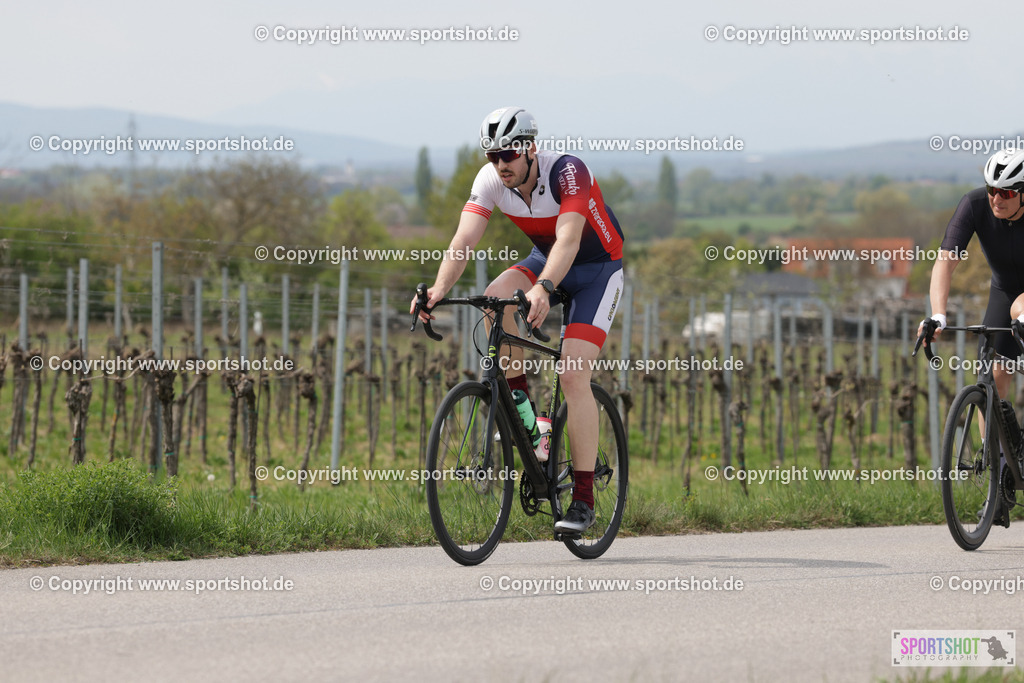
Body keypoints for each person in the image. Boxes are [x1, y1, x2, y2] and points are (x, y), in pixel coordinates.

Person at [412, 106, 624, 533]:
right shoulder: (490, 180)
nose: (500, 164)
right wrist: (437, 290)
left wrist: (544, 288)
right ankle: (530, 422)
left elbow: (568, 238)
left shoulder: (568, 172)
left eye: (508, 153)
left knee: (571, 375)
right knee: (494, 300)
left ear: (529, 148)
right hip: (546, 261)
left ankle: (583, 500)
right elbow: (463, 241)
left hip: (597, 271)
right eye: (492, 156)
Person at [920, 145, 1024, 526]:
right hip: (1004, 292)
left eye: (1008, 192)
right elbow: (945, 260)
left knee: (1019, 311)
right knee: (992, 377)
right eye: (993, 189)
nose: (997, 199)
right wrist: (937, 314)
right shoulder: (975, 205)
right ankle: (999, 478)